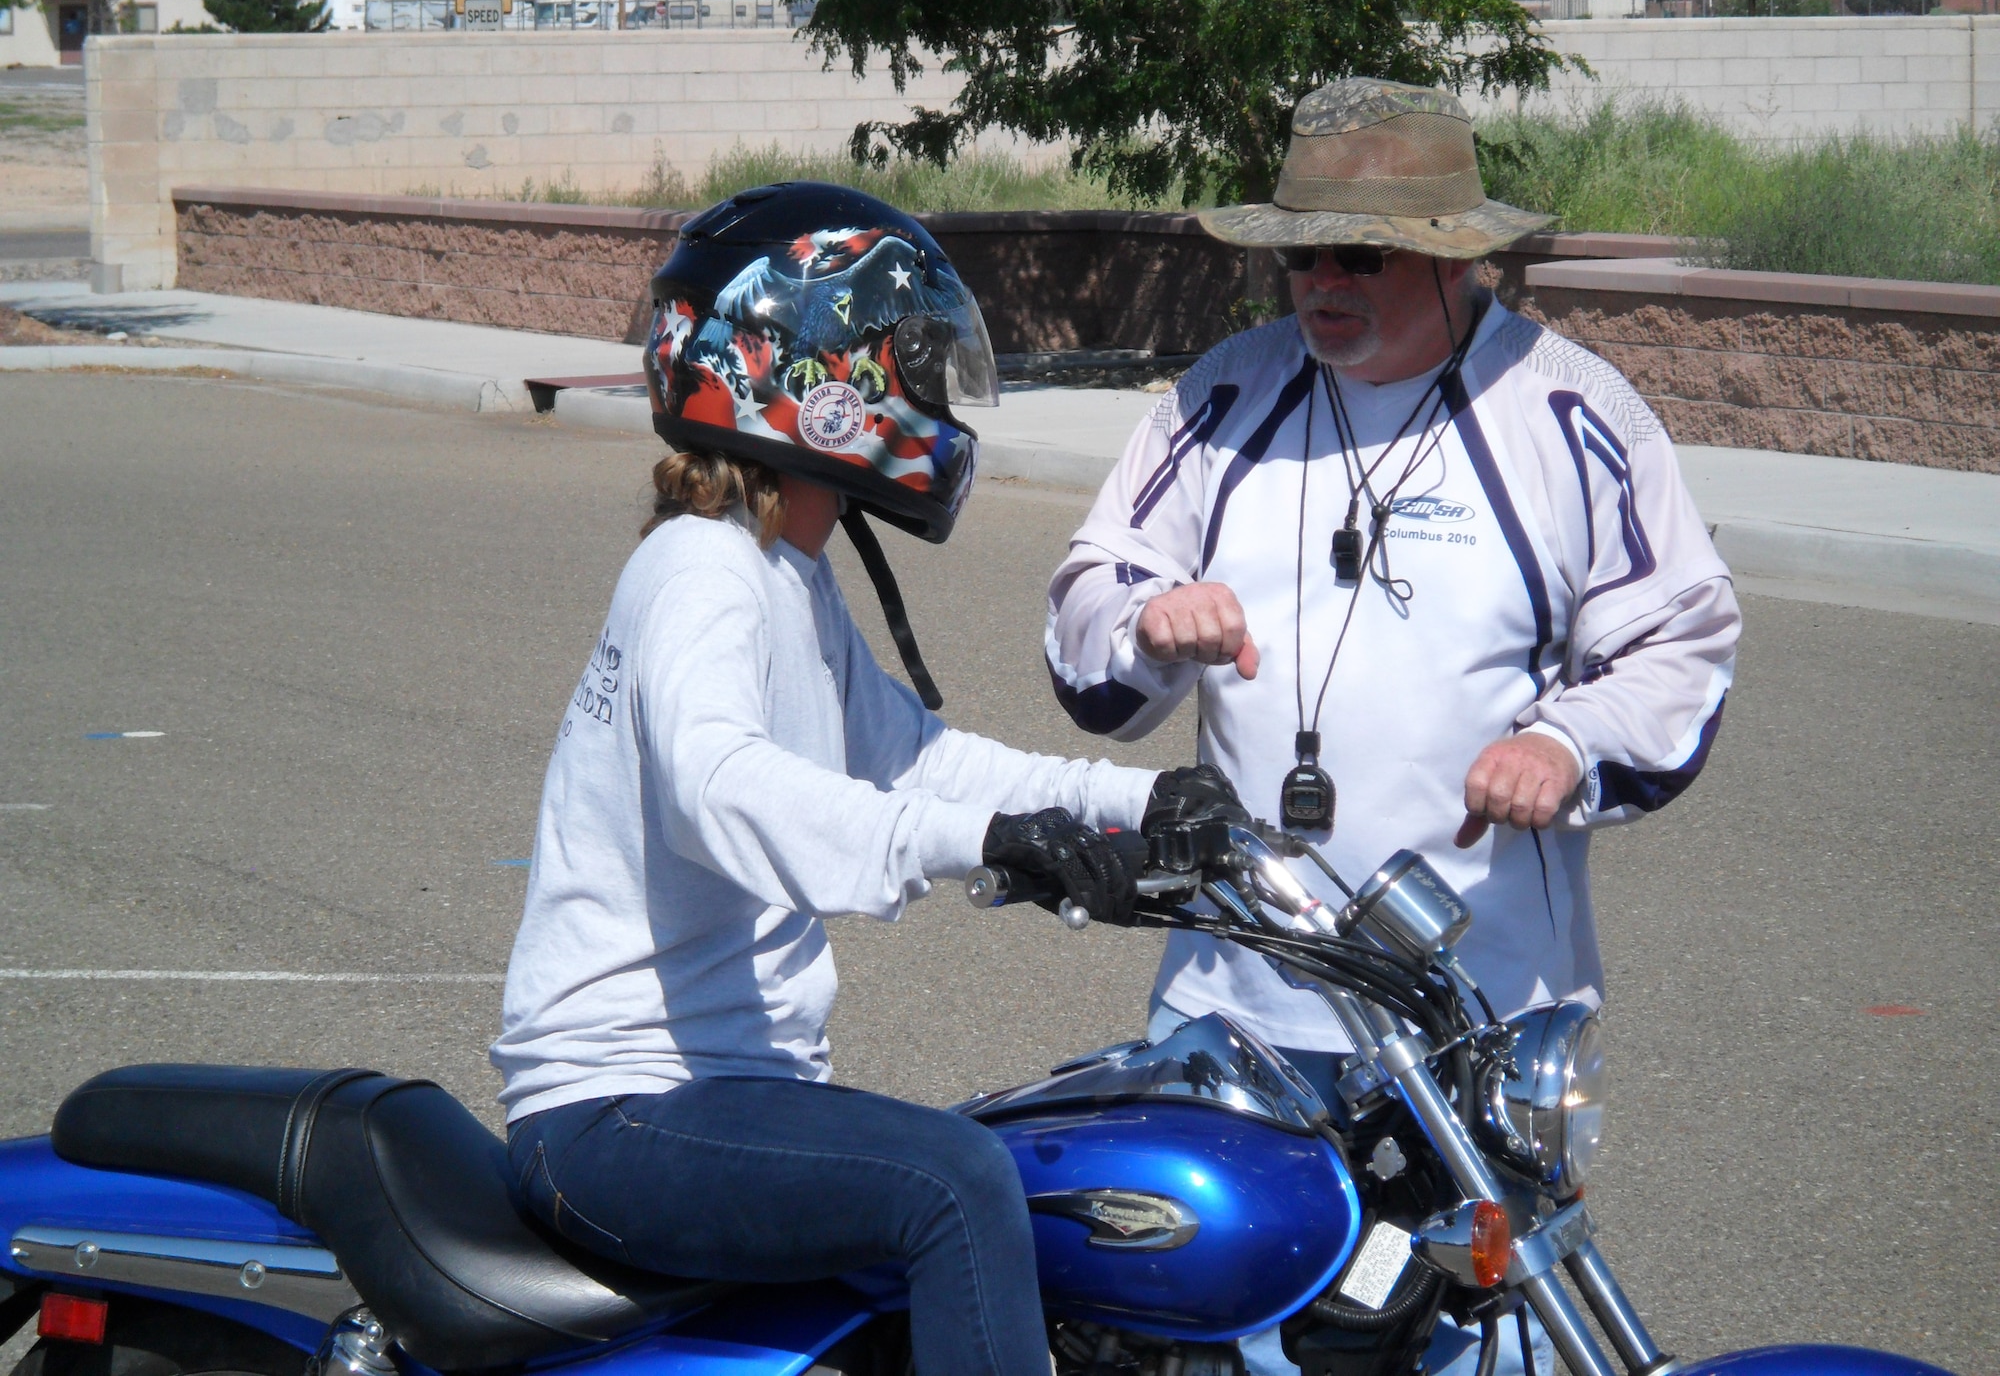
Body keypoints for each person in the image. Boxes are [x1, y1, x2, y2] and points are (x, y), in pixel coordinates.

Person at [1044, 80, 1742, 1376]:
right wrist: (1147, 623)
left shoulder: (1570, 417)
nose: (1319, 280)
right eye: (1298, 250)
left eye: (1360, 252)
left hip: (1473, 1030)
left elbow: (1682, 642)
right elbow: (1089, 594)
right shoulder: (1222, 398)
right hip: (1237, 1021)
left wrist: (1569, 741)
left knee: (1488, 1346)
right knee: (1213, 1343)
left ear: (1451, 252)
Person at [492, 183, 1184, 1376]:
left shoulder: (784, 572)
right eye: (912, 363)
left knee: (1025, 1144)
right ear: (812, 372)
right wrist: (976, 843)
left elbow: (919, 755)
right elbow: (721, 785)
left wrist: (1144, 803)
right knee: (956, 1186)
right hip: (617, 1106)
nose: (931, 398)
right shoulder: (703, 570)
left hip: (711, 1093)